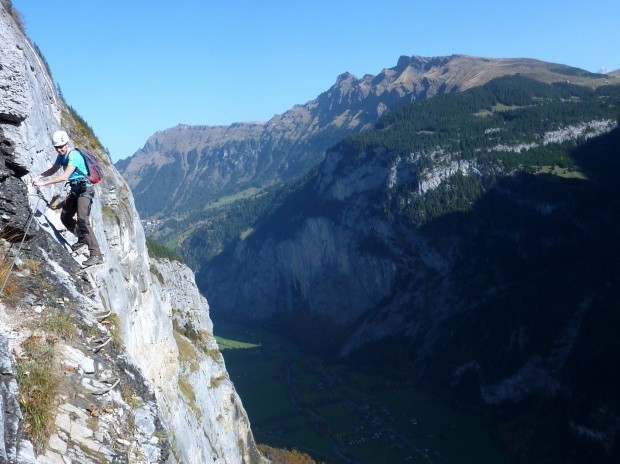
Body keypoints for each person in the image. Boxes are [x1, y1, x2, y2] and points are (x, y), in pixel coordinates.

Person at [32, 130, 104, 267]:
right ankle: (82, 237)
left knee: (83, 220)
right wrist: (39, 176)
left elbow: (64, 176)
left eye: (62, 146)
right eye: (57, 147)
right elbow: (53, 169)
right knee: (65, 217)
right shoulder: (61, 156)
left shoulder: (74, 156)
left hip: (85, 190)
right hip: (76, 189)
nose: (60, 149)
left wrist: (44, 183)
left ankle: (96, 254)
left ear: (67, 143)